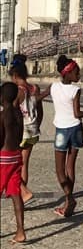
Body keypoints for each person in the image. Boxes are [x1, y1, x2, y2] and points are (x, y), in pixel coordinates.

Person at [41, 55, 83, 217]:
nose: (79, 74)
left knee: (59, 169)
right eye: (76, 72)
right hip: (76, 128)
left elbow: (38, 97)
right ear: (67, 73)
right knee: (70, 166)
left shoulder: (53, 87)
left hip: (61, 130)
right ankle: (69, 203)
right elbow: (77, 114)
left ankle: (69, 198)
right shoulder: (75, 90)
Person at [8, 59, 42, 204]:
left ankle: (24, 192)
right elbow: (39, 111)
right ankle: (23, 194)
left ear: (15, 75)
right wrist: (37, 125)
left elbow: (12, 112)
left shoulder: (17, 91)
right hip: (33, 130)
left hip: (21, 132)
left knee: (12, 164)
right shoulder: (34, 88)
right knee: (24, 164)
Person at [0, 81, 26, 244]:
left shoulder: (3, 115)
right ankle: (20, 231)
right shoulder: (18, 114)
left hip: (4, 158)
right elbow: (21, 135)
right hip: (17, 155)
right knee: (15, 194)